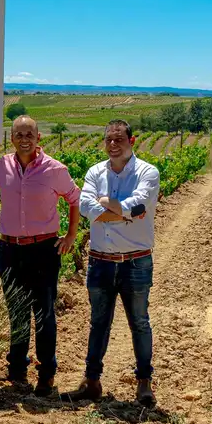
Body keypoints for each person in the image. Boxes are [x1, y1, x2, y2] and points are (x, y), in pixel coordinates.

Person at [0, 115, 81, 397]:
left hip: (43, 249)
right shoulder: (3, 165)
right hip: (9, 249)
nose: (24, 139)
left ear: (38, 138)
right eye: (19, 134)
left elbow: (74, 199)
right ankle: (17, 370)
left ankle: (46, 374)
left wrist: (71, 236)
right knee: (17, 312)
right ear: (11, 139)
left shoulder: (55, 169)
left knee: (44, 313)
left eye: (29, 134)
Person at [61, 119, 159, 407]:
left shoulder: (147, 172)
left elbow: (139, 206)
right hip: (100, 261)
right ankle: (91, 382)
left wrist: (108, 204)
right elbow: (87, 207)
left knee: (139, 323)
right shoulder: (94, 172)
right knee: (98, 324)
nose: (113, 144)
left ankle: (144, 383)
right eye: (108, 140)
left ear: (132, 140)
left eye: (119, 139)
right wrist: (122, 211)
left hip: (136, 262)